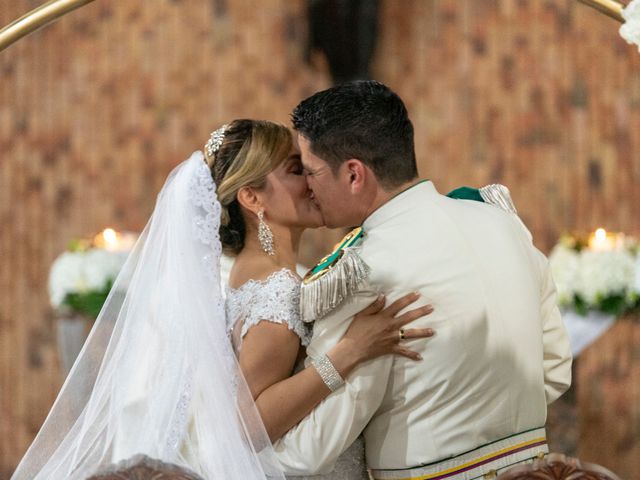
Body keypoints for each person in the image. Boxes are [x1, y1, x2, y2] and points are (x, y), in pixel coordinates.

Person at [10, 119, 433, 480]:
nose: (312, 181)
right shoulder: (279, 291)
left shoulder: (244, 275)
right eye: (295, 170)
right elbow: (247, 425)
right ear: (251, 198)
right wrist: (349, 352)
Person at [273, 81, 573, 480]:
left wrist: (229, 457)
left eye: (311, 172)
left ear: (353, 174)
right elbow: (554, 369)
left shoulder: (363, 271)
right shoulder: (501, 220)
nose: (308, 187)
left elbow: (315, 447)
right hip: (533, 468)